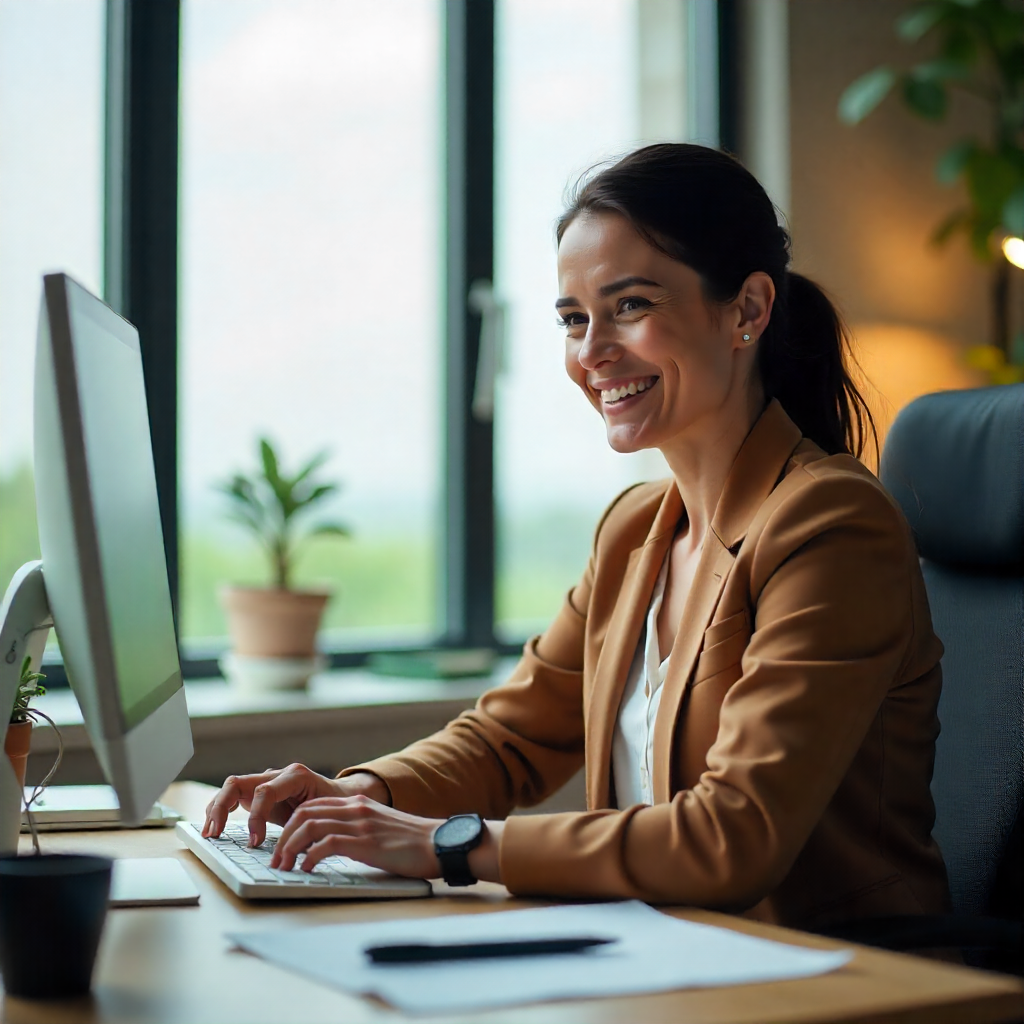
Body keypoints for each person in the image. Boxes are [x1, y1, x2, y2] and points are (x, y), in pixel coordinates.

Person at [204, 144, 950, 929]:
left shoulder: (830, 524)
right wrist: (358, 797)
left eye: (630, 306)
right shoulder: (635, 529)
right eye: (572, 319)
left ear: (747, 311)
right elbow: (508, 741)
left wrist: (444, 845)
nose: (592, 352)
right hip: (665, 959)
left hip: (835, 981)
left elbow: (733, 837)